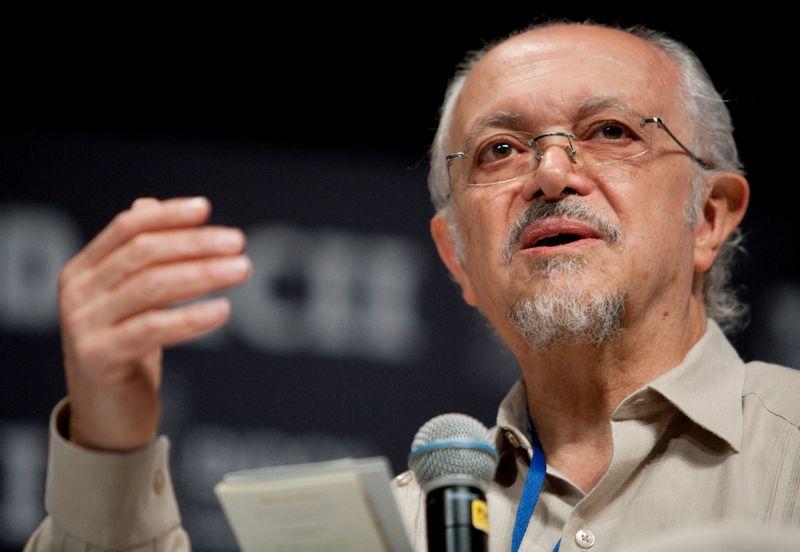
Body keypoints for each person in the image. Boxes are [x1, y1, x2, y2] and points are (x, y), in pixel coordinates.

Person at [25, 20, 800, 552]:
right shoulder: (388, 532)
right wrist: (110, 439)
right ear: (458, 256)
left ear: (709, 216)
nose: (551, 173)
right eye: (500, 150)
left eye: (610, 133)